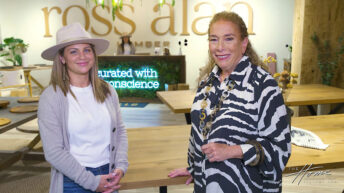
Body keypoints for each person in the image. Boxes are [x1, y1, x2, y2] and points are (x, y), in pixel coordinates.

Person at [168, 11, 291, 193]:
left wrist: (231, 151)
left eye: (228, 39)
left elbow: (280, 149)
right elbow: (197, 134)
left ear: (243, 43)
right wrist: (194, 167)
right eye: (213, 39)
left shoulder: (263, 85)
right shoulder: (206, 83)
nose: (219, 47)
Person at [39, 23, 128, 193]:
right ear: (62, 58)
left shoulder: (108, 90)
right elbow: (54, 152)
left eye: (87, 50)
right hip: (72, 179)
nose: (82, 56)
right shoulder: (51, 97)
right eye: (73, 51)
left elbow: (120, 131)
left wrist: (121, 166)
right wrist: (91, 182)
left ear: (93, 54)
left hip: (109, 174)